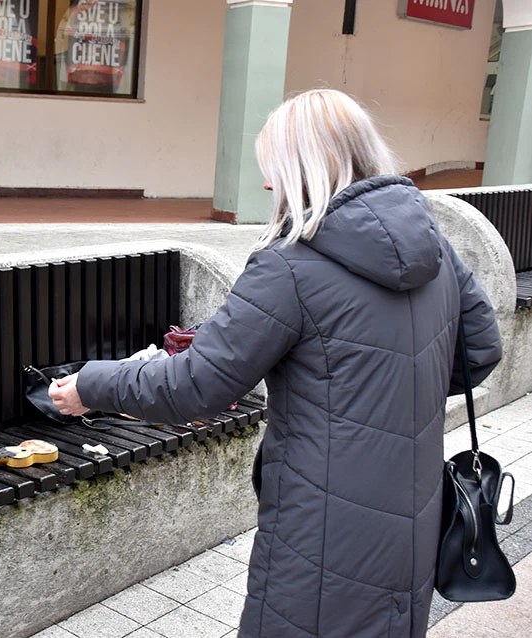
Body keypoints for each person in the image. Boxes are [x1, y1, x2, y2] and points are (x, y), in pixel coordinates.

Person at [49, 89, 502, 638]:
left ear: (306, 168)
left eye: (273, 169)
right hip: (414, 516)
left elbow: (194, 387)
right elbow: (480, 350)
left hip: (321, 529)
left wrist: (91, 383)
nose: (267, 185)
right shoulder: (435, 245)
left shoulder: (291, 266)